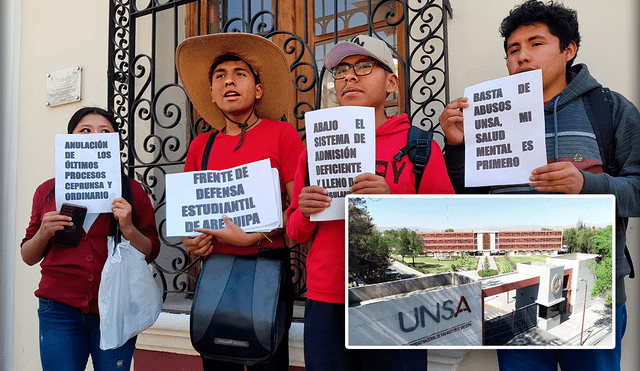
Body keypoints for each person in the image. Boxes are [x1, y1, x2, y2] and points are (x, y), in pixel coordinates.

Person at [439, 1, 640, 370]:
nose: (521, 57)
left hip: (592, 294)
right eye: (513, 50)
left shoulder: (610, 109)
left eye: (535, 44)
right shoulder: (487, 117)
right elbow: (462, 203)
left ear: (568, 50)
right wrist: (456, 147)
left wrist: (587, 184)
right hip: (512, 293)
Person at [286, 35, 454, 371]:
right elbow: (295, 233)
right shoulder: (314, 151)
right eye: (341, 70)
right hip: (325, 299)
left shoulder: (419, 145)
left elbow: (445, 227)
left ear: (391, 83)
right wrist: (304, 212)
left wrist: (391, 200)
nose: (349, 77)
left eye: (363, 67)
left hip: (395, 298)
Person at [175, 33, 304, 371]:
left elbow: (300, 208)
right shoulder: (199, 147)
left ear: (258, 90)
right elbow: (192, 220)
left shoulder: (282, 134)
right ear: (213, 95)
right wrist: (193, 242)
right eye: (220, 76)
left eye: (239, 74)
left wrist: (255, 236)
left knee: (269, 363)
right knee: (217, 363)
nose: (229, 80)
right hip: (216, 274)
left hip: (269, 270)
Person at [21, 106, 161, 371]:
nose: (94, 136)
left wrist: (129, 228)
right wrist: (43, 233)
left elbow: (152, 251)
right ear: (70, 140)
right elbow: (28, 256)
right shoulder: (47, 192)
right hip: (59, 310)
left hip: (117, 308)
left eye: (104, 132)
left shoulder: (132, 192)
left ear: (114, 142)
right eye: (85, 130)